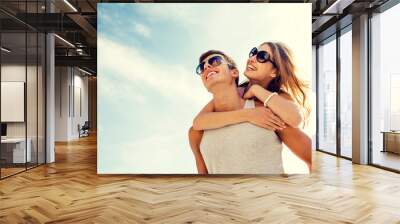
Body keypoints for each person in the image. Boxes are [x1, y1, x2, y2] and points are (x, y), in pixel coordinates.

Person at [189, 42, 311, 174]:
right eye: (253, 53)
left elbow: (295, 120)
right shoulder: (200, 130)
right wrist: (249, 114)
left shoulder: (273, 109)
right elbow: (197, 122)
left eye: (262, 56)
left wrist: (256, 90)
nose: (252, 58)